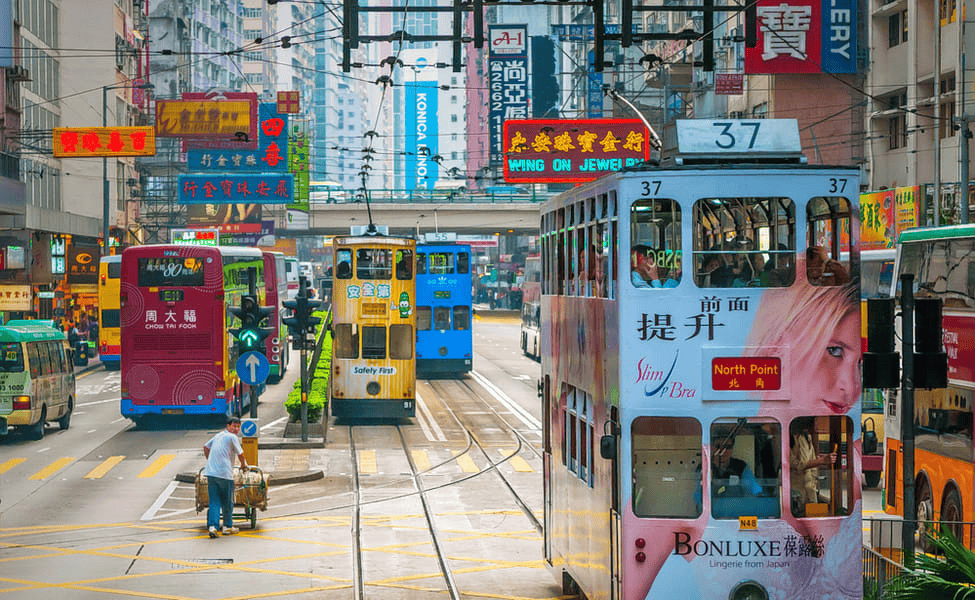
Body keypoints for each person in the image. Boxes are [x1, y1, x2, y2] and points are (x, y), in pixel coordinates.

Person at [203, 416, 248, 538]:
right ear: (228, 426)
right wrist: (244, 465)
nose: (236, 429)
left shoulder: (218, 435)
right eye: (234, 426)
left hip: (211, 473)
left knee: (214, 501)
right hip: (225, 474)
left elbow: (206, 447)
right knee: (227, 501)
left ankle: (213, 527)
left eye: (238, 427)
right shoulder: (232, 437)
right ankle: (227, 526)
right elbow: (241, 454)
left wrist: (210, 461)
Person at [790, 417, 837, 516]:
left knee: (813, 517)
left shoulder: (808, 438)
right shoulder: (795, 438)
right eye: (815, 422)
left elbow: (812, 463)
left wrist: (822, 462)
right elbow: (799, 464)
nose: (818, 426)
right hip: (798, 490)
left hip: (810, 488)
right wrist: (822, 461)